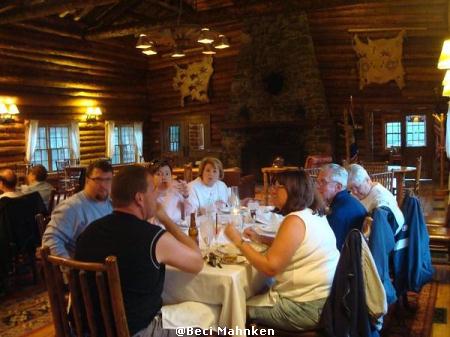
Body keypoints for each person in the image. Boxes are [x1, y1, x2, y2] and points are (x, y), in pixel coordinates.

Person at [75, 165, 203, 337]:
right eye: (152, 190)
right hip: (135, 332)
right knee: (203, 314)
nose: (156, 196)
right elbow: (197, 262)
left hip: (86, 329)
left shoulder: (89, 231)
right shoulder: (154, 238)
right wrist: (165, 219)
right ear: (139, 198)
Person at [225, 170, 339, 332]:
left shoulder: (294, 220)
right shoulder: (313, 213)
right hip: (325, 299)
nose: (272, 190)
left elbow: (270, 268)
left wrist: (238, 241)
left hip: (304, 307)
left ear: (293, 190)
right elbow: (298, 244)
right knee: (253, 289)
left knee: (232, 309)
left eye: (278, 187)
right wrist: (261, 238)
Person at [42, 159, 113, 258]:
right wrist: (70, 268)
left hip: (109, 266)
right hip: (86, 269)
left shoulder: (111, 204)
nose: (104, 185)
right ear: (87, 181)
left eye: (108, 180)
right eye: (98, 180)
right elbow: (50, 241)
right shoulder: (71, 207)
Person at [317, 164, 367, 250]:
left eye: (323, 182)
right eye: (318, 182)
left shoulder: (339, 212)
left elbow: (329, 248)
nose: (318, 186)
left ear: (338, 187)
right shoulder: (347, 200)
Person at [347, 164, 404, 230]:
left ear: (368, 180)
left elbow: (383, 232)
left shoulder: (381, 202)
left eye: (357, 187)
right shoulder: (363, 192)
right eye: (350, 188)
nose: (354, 192)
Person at [149, 160, 192, 226]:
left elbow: (189, 213)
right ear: (151, 177)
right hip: (159, 232)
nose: (163, 177)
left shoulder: (177, 190)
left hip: (179, 228)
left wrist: (186, 196)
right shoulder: (148, 195)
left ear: (171, 176)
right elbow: (150, 222)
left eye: (167, 174)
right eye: (159, 174)